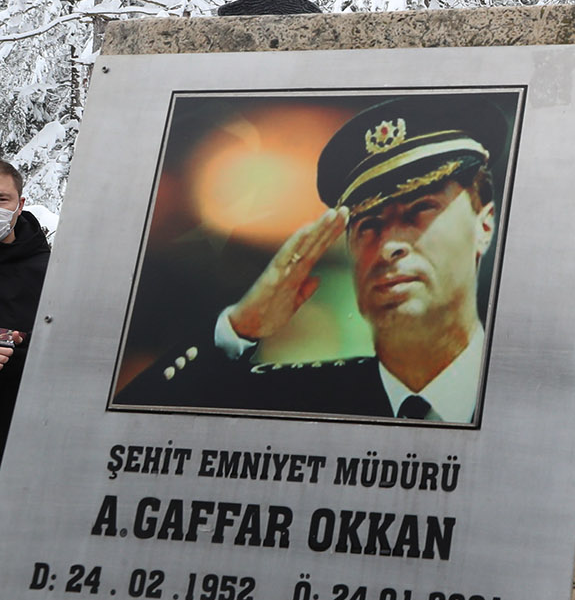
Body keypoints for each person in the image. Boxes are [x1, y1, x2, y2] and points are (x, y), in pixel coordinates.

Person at [116, 96, 508, 423]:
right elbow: (125, 428)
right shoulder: (310, 393)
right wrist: (241, 326)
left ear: (484, 223)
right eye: (369, 223)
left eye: (420, 210)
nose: (389, 246)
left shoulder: (527, 392)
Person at [0, 161, 52, 463]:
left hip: (19, 444)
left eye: (1, 199)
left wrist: (14, 342)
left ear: (19, 205)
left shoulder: (48, 273)